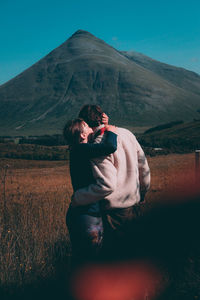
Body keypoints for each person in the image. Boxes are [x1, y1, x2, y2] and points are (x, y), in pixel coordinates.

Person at [71, 104, 151, 258]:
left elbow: (107, 184)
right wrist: (143, 193)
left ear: (86, 123)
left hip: (113, 214)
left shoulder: (98, 146)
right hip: (134, 205)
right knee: (134, 255)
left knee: (116, 260)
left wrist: (78, 198)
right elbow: (144, 168)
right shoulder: (127, 133)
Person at [63, 116, 117, 264]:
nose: (90, 128)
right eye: (86, 126)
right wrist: (111, 132)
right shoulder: (82, 149)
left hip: (81, 212)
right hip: (86, 214)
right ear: (82, 135)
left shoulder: (77, 150)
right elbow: (110, 147)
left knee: (82, 257)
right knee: (90, 259)